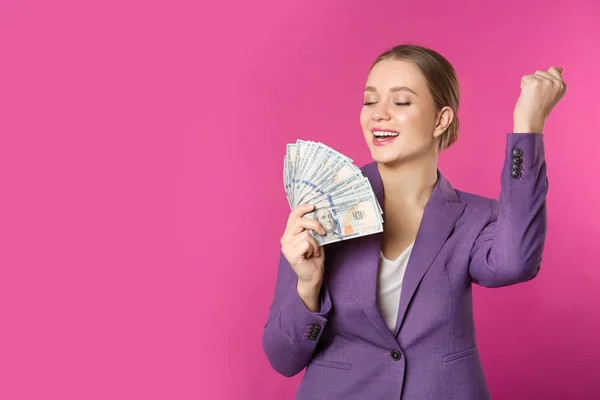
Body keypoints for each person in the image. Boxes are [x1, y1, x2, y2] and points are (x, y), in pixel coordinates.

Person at [262, 44, 567, 400]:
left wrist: (528, 125)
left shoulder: (476, 217)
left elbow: (515, 264)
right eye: (370, 100)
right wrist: (307, 285)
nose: (379, 115)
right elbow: (283, 358)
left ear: (441, 119)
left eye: (401, 102)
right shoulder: (320, 209)